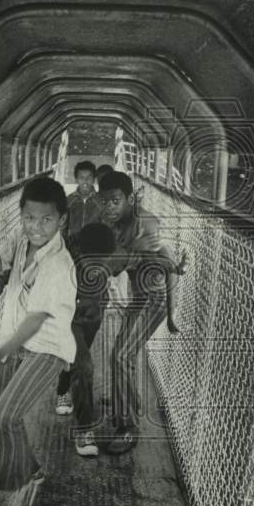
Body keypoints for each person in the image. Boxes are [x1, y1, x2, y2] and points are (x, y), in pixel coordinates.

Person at [0, 177, 77, 506]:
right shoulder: (21, 242)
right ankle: (28, 469)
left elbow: (35, 321)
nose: (36, 226)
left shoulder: (58, 264)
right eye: (29, 218)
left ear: (61, 220)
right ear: (22, 216)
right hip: (15, 344)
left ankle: (23, 488)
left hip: (46, 349)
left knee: (6, 415)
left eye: (46, 219)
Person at [98, 170, 187, 454]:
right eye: (105, 201)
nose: (109, 207)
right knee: (123, 355)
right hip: (138, 298)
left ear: (129, 199)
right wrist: (129, 249)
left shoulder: (146, 222)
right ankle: (128, 405)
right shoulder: (112, 223)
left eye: (115, 200)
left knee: (121, 355)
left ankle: (129, 428)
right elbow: (110, 266)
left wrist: (172, 315)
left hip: (153, 299)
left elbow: (173, 267)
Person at [56, 222, 117, 457]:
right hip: (69, 316)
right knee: (85, 366)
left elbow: (136, 259)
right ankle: (84, 431)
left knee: (77, 363)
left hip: (93, 314)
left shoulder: (108, 255)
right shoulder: (63, 256)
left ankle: (62, 388)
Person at [55, 160, 104, 415]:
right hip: (71, 272)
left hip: (94, 278)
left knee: (87, 336)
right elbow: (60, 233)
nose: (85, 182)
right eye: (81, 178)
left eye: (89, 178)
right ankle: (64, 390)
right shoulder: (68, 202)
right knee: (72, 339)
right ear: (76, 179)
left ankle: (68, 382)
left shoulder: (102, 204)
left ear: (94, 179)